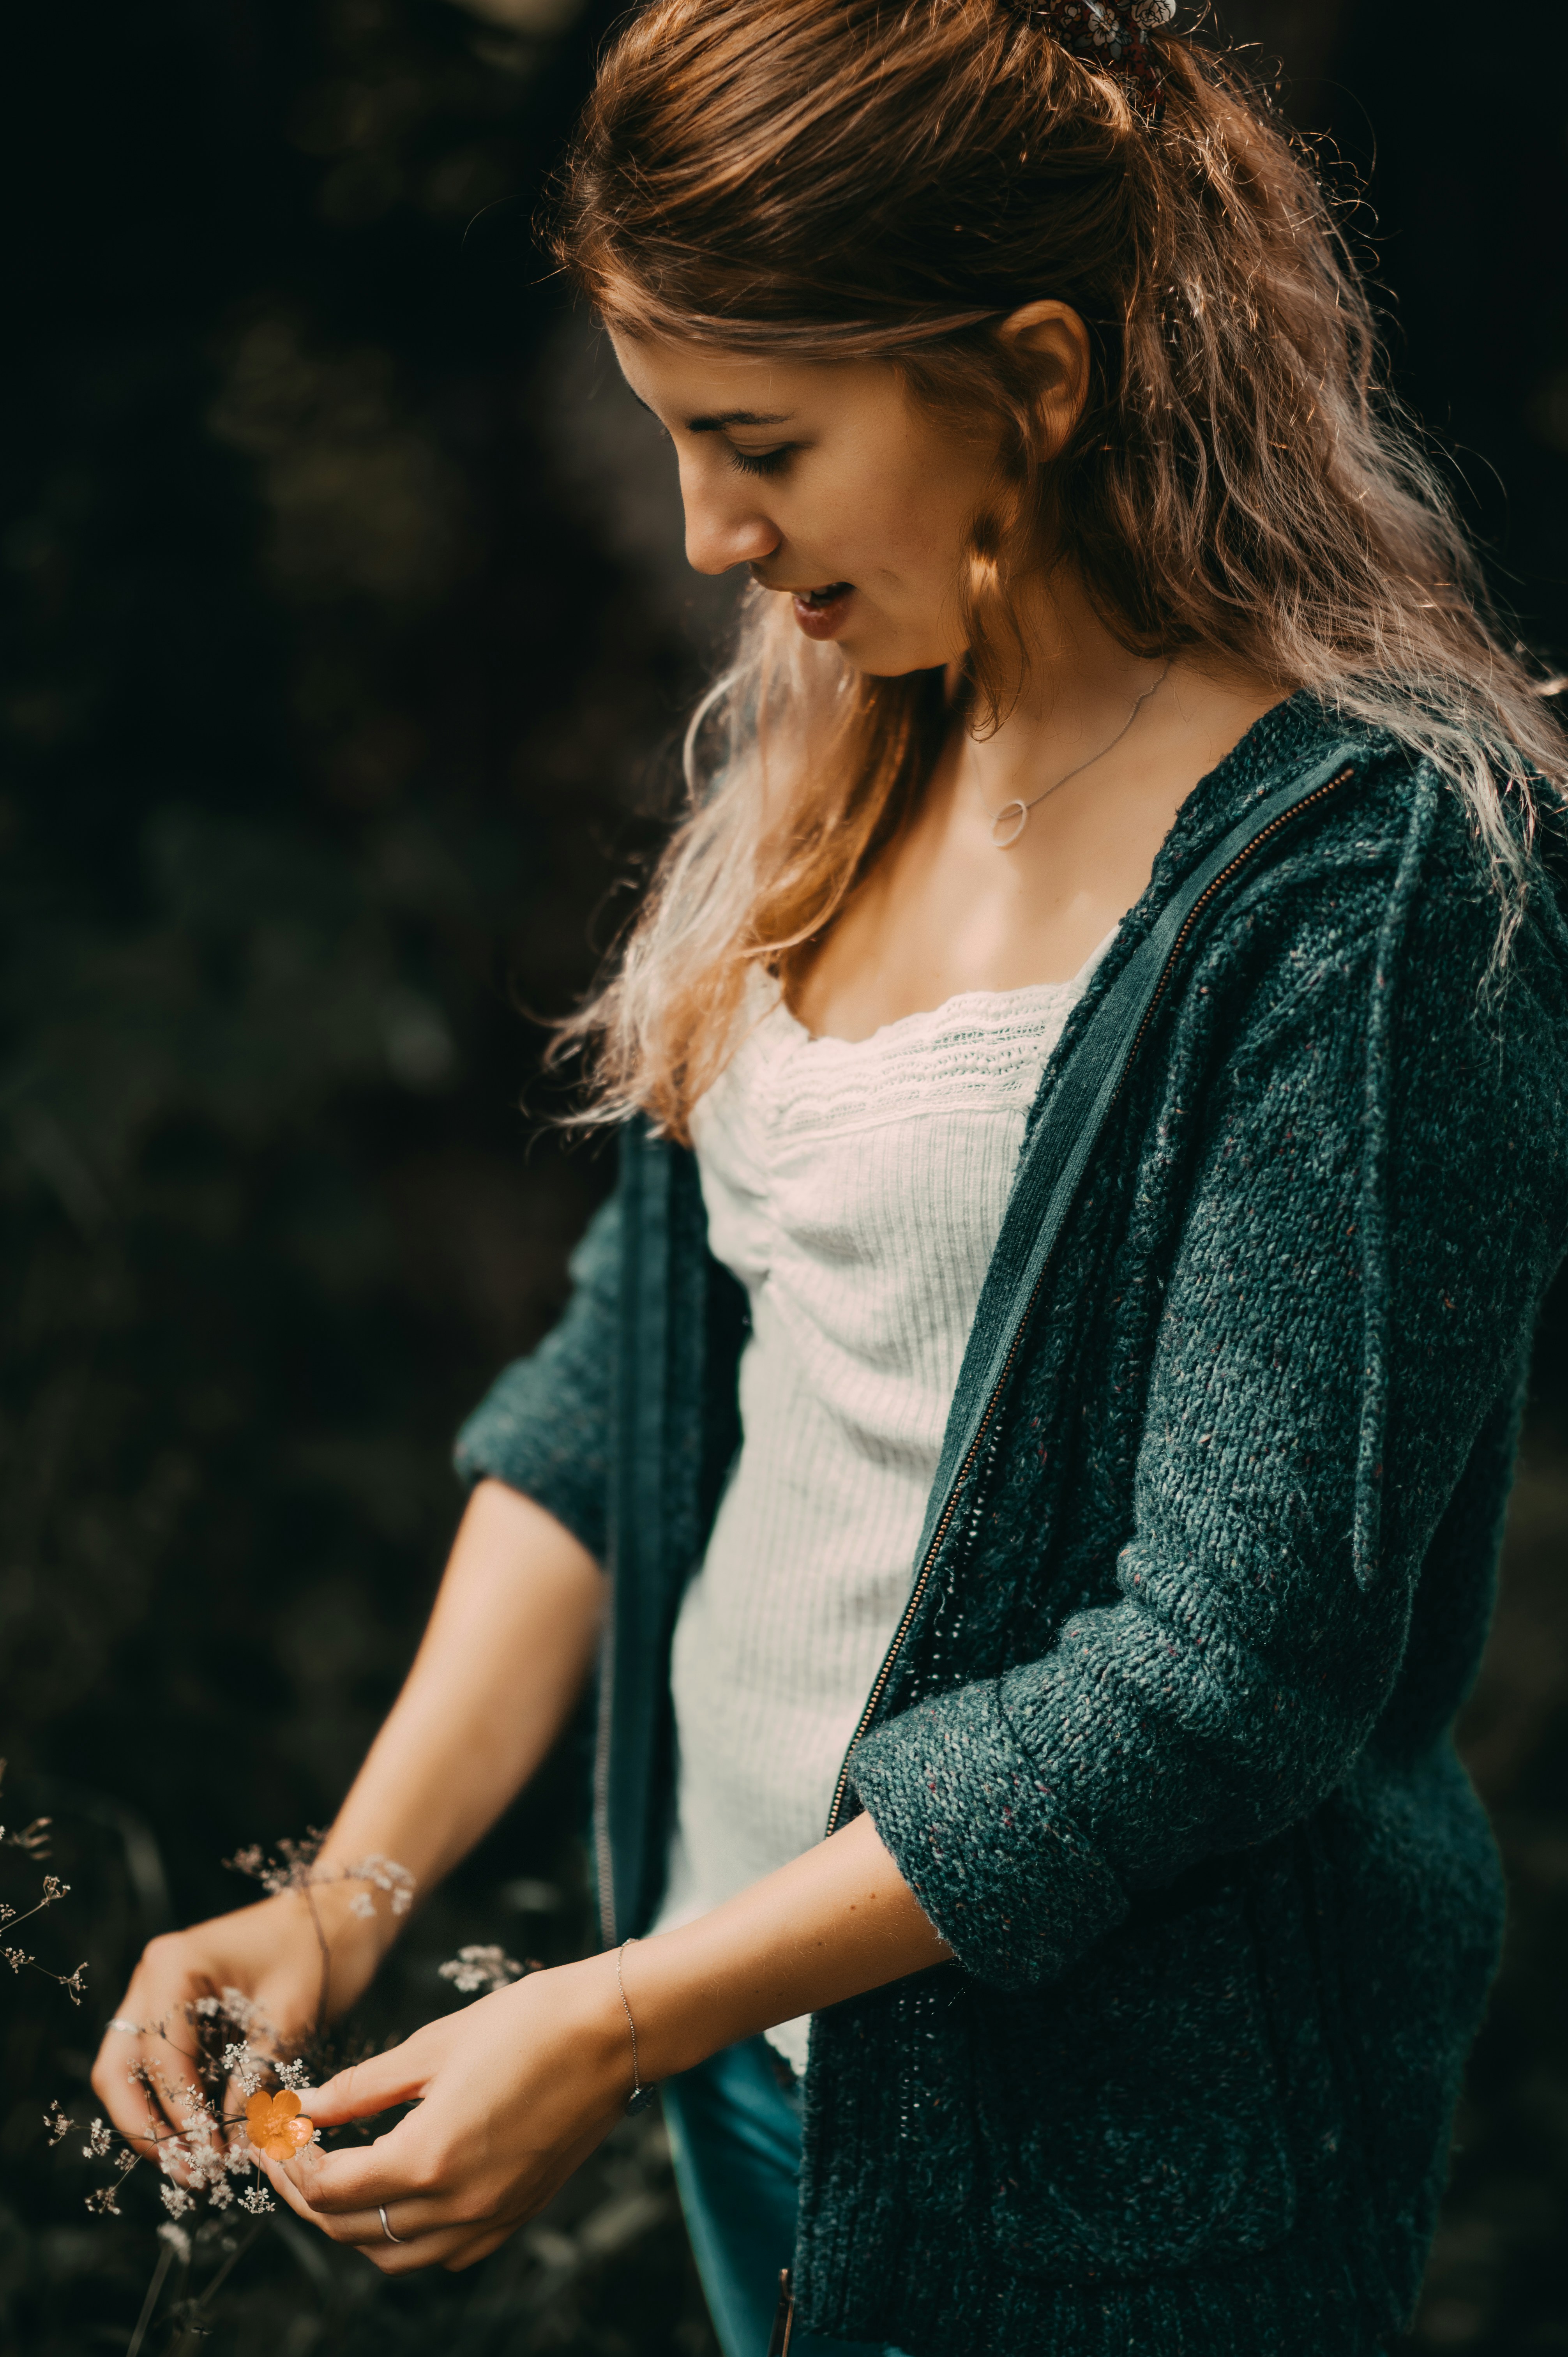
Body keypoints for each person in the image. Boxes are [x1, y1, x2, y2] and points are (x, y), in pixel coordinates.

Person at [94, 1, 1568, 2350]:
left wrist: (615, 2012)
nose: (707, 531)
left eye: (758, 442)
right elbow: (626, 1377)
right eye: (675, 439)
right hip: (746, 2065)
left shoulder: (1358, 893)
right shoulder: (830, 737)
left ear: (1037, 379)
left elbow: (1227, 1672)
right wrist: (350, 1898)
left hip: (1102, 2175)